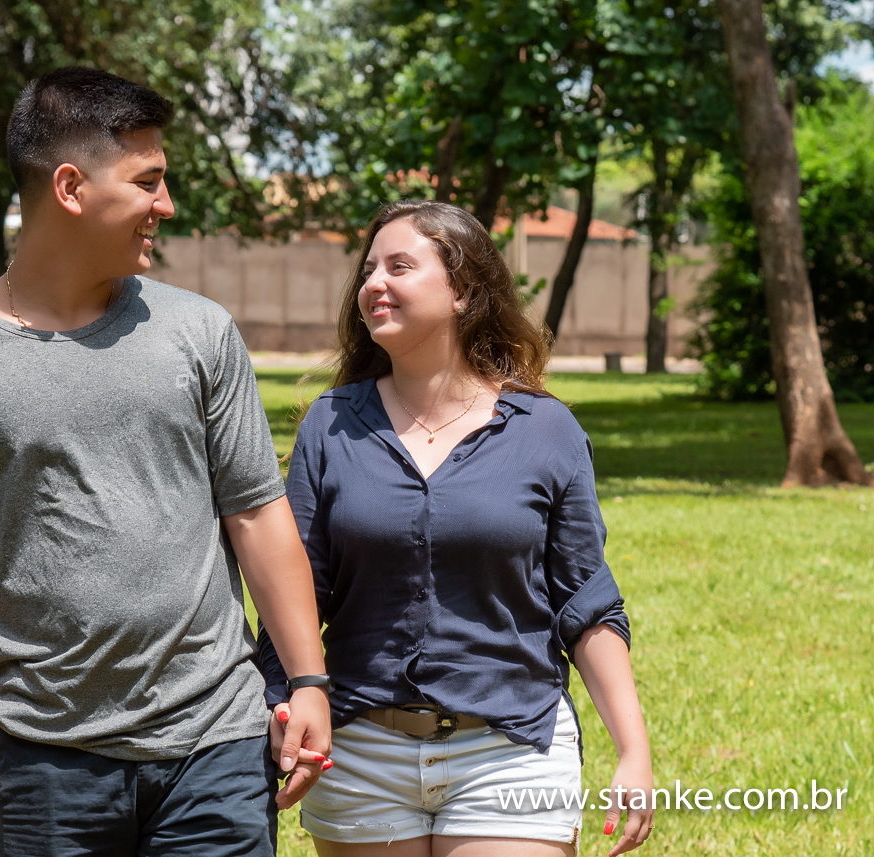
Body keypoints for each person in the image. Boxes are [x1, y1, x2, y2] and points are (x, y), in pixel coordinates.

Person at [0, 67, 330, 857]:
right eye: (148, 181)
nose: (166, 206)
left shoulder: (200, 333)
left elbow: (255, 510)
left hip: (214, 743)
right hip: (43, 757)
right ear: (71, 187)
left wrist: (308, 678)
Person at [260, 200, 654, 857]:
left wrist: (633, 751)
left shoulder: (547, 429)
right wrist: (285, 702)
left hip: (512, 750)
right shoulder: (330, 425)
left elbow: (586, 603)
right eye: (368, 269)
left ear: (463, 292)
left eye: (400, 266)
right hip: (362, 754)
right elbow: (295, 589)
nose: (373, 282)